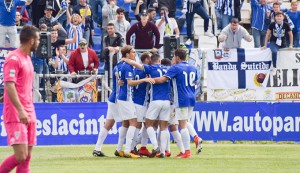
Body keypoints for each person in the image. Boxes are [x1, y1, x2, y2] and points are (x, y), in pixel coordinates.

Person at [0, 25, 40, 173]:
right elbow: (9, 86)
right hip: (16, 113)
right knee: (21, 155)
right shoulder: (13, 58)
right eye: (38, 39)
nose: (39, 42)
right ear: (31, 41)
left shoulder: (27, 59)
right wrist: (21, 110)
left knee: (27, 157)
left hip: (29, 111)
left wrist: (28, 110)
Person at [153, 48, 199, 158]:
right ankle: (185, 150)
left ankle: (187, 152)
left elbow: (163, 79)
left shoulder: (176, 68)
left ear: (177, 57)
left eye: (174, 57)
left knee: (183, 126)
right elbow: (196, 82)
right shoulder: (193, 67)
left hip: (181, 99)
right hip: (192, 98)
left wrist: (151, 80)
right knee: (184, 122)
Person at [117, 45, 155, 158]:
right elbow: (129, 83)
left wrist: (119, 79)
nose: (135, 54)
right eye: (133, 52)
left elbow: (117, 73)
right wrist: (145, 79)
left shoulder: (122, 65)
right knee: (134, 123)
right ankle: (129, 149)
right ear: (127, 54)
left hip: (124, 97)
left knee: (127, 123)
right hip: (127, 98)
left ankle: (120, 149)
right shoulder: (128, 67)